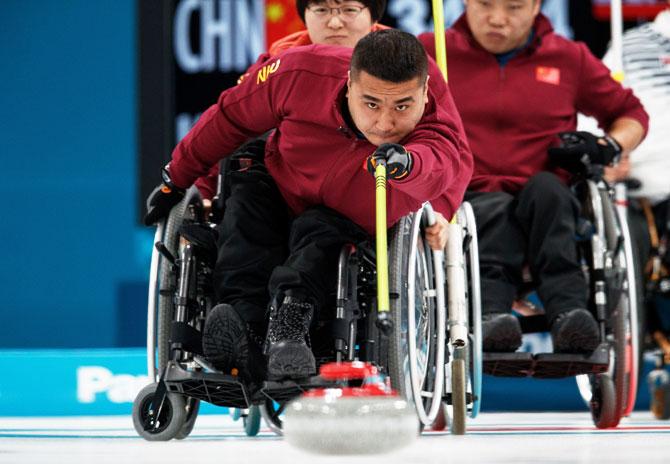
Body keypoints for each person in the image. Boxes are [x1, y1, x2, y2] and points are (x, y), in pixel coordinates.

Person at [144, 30, 473, 382]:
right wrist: (174, 179)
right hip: (279, 180)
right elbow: (229, 118)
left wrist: (409, 164)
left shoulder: (433, 107)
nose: (385, 123)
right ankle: (244, 333)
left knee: (320, 235)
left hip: (349, 216)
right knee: (244, 215)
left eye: (402, 106)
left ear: (423, 93)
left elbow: (446, 159)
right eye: (371, 103)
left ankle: (289, 329)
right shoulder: (301, 72)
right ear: (349, 84)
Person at [419, 0, 649, 354]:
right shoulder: (430, 52)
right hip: (464, 198)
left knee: (550, 191)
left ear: (537, 7)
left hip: (544, 199)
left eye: (514, 8)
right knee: (493, 205)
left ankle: (570, 313)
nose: (497, 19)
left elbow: (630, 114)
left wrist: (608, 145)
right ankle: (490, 313)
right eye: (485, 4)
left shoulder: (568, 58)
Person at [194, 0, 389, 200]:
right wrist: (205, 193)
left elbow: (422, 135)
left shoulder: (404, 64)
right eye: (321, 10)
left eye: (349, 10)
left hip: (363, 185)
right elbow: (232, 125)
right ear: (305, 14)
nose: (335, 23)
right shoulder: (276, 63)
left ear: (373, 17)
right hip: (283, 186)